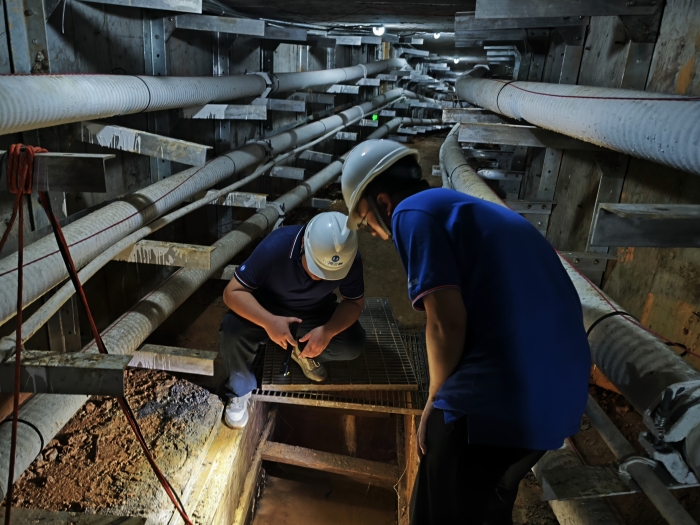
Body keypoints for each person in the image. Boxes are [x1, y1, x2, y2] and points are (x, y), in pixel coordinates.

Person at [340, 139, 591, 525]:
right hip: (559, 404)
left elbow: (445, 321)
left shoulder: (411, 214)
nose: (372, 233)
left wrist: (435, 400)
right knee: (486, 511)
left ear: (384, 203)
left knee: (435, 500)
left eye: (364, 221)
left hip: (499, 398)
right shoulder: (463, 209)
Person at [220, 211, 366, 429]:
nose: (322, 278)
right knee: (233, 330)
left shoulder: (349, 258)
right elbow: (232, 292)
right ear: (304, 244)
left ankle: (300, 350)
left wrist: (327, 331)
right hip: (268, 309)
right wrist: (269, 321)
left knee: (353, 342)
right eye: (318, 270)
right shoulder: (275, 247)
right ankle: (240, 390)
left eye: (330, 274)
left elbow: (353, 303)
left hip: (314, 312)